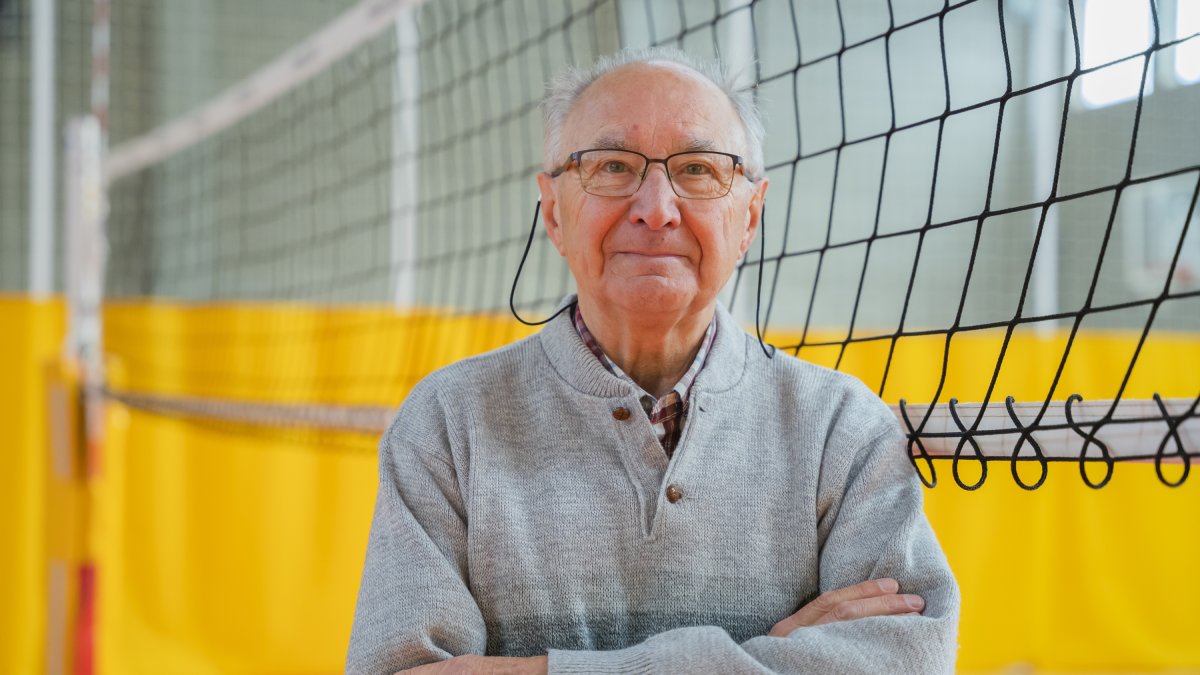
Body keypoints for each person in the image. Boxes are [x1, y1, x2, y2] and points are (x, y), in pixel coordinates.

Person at [346, 47, 959, 674]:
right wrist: (766, 659)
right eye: (613, 166)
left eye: (697, 169)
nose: (656, 208)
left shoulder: (842, 428)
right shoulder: (448, 422)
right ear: (553, 212)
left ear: (748, 216)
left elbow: (907, 660)